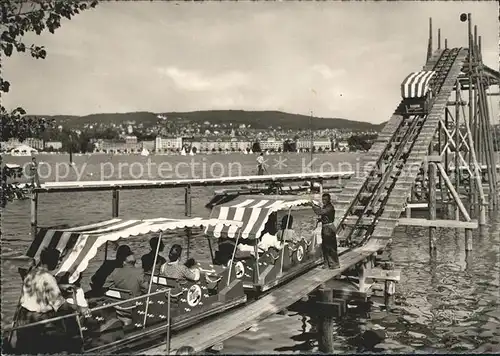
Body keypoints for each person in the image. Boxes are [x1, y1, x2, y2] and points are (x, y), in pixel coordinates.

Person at [15, 247, 74, 353]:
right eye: (57, 261)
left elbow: (39, 287)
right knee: (68, 331)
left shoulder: (32, 272)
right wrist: (79, 308)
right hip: (38, 319)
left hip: (23, 315)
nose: (58, 264)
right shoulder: (48, 278)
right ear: (51, 262)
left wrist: (59, 287)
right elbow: (60, 304)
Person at [311, 193, 339, 269]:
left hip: (329, 228)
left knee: (331, 247)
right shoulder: (326, 207)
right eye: (323, 199)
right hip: (325, 228)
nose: (324, 201)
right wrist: (320, 219)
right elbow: (325, 216)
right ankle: (327, 264)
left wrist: (313, 206)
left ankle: (334, 264)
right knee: (325, 247)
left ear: (329, 200)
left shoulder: (330, 207)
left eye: (325, 200)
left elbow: (320, 212)